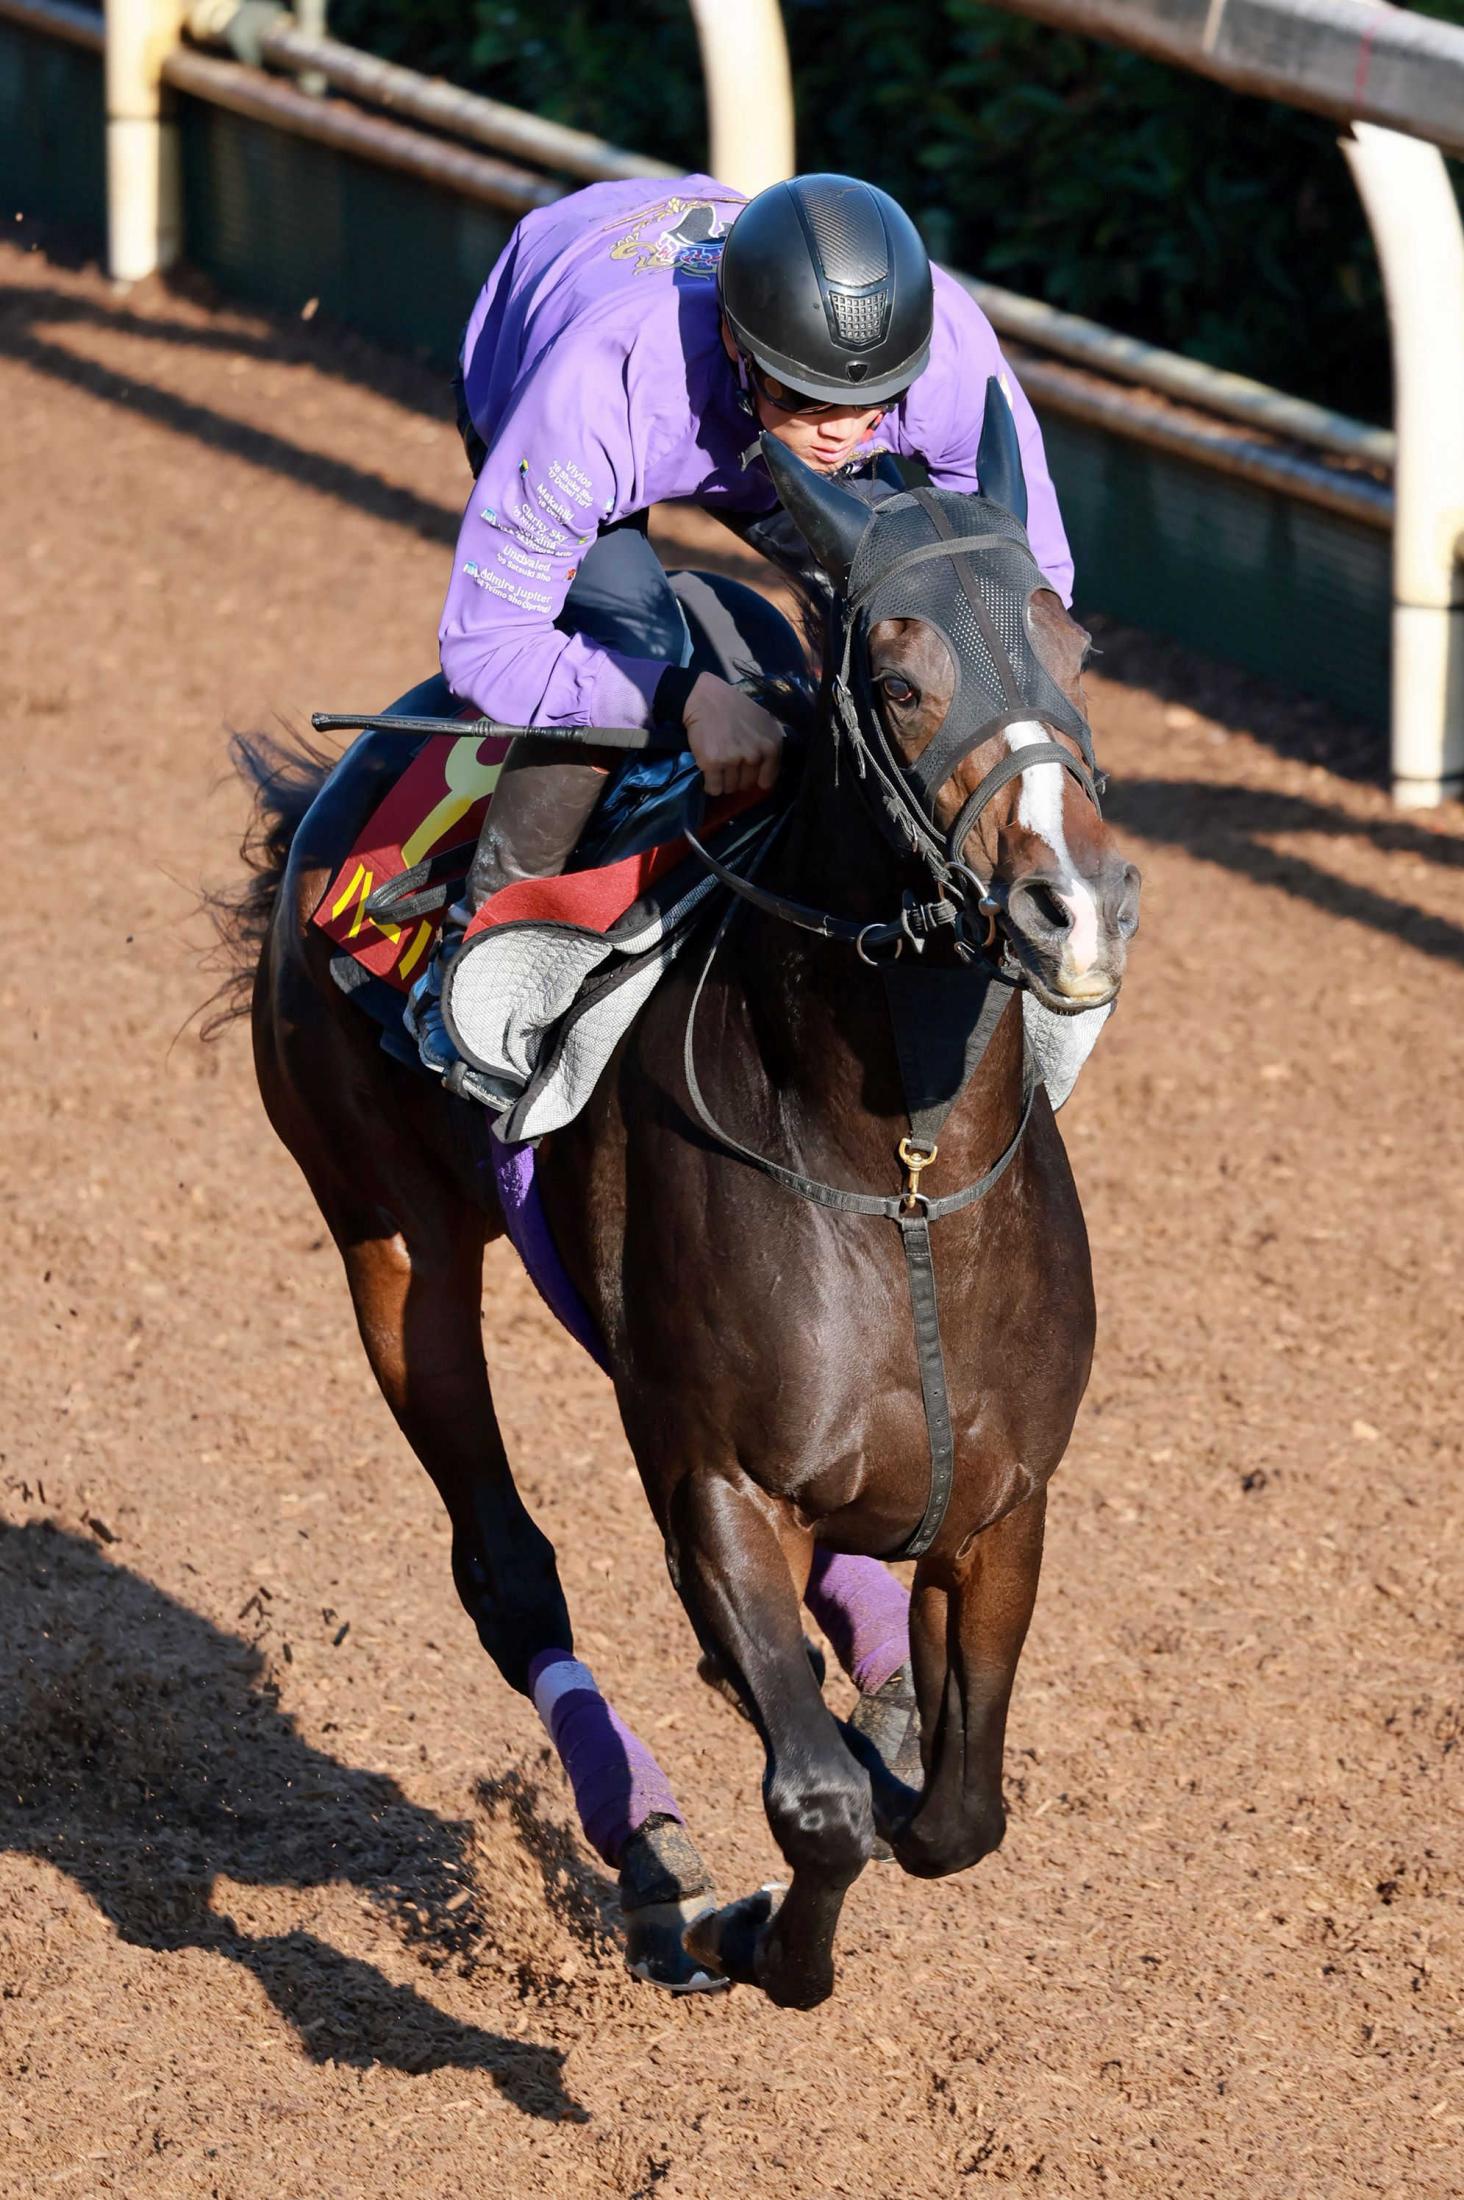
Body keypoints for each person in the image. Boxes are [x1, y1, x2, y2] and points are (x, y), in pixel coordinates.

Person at [408, 171, 1075, 1090]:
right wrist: (683, 697)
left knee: (918, 613)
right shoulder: (602, 388)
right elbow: (490, 645)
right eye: (808, 401)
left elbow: (1027, 597)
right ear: (734, 340)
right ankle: (478, 956)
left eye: (873, 405)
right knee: (630, 624)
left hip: (725, 379)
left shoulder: (946, 355)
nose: (844, 437)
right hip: (558, 344)